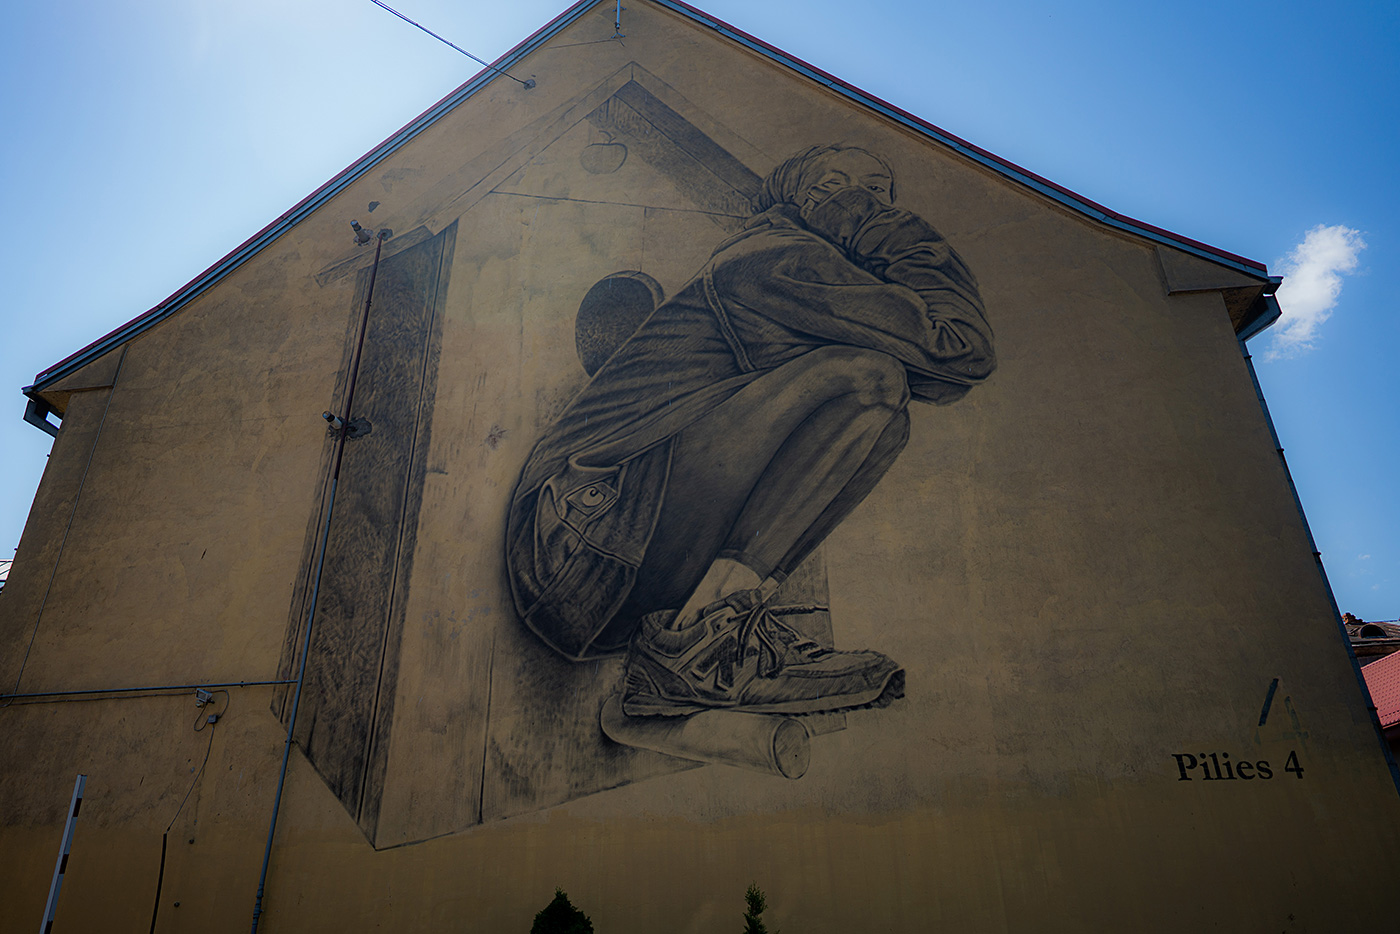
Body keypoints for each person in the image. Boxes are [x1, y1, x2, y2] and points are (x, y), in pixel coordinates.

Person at [506, 145, 994, 717]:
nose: (859, 203)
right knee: (870, 380)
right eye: (836, 188)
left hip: (622, 583)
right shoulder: (774, 258)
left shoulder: (819, 282)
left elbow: (943, 376)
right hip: (577, 544)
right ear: (802, 203)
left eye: (877, 194)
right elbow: (960, 346)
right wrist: (879, 225)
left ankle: (705, 632)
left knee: (886, 412)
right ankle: (698, 646)